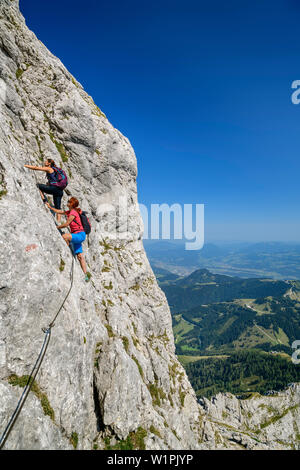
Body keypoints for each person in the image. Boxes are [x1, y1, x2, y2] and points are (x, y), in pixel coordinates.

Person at [46, 197, 90, 282]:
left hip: (79, 235)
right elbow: (60, 212)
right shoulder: (70, 211)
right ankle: (85, 275)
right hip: (77, 235)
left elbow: (66, 224)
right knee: (80, 256)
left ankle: (64, 252)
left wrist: (56, 227)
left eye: (69, 202)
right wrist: (50, 207)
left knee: (64, 237)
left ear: (72, 204)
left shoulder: (73, 212)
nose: (67, 202)